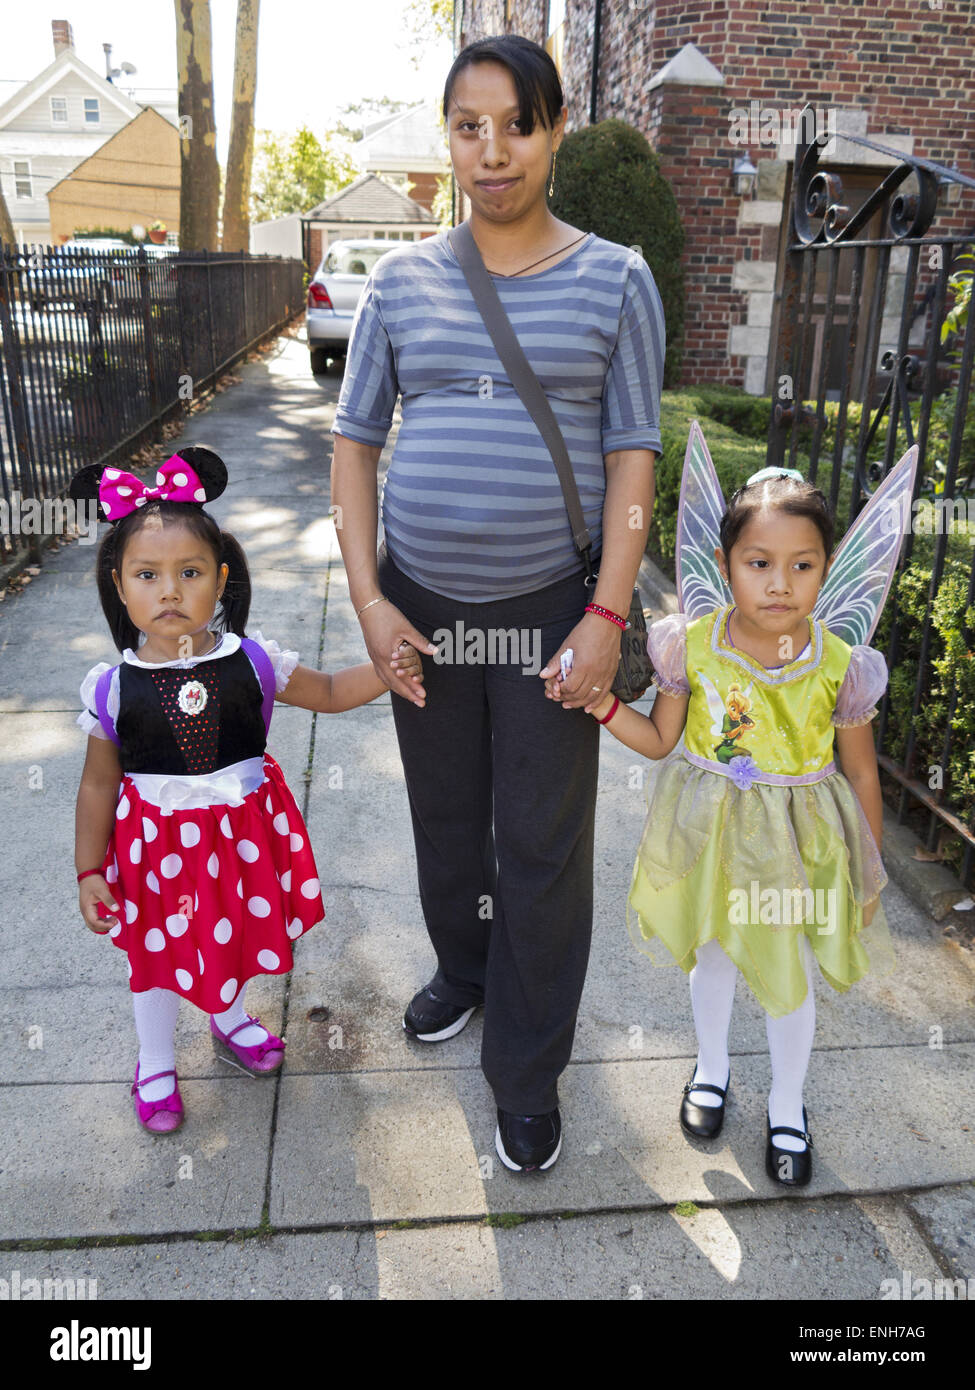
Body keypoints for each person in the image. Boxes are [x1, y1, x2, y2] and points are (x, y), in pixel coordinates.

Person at [330, 34, 664, 1172]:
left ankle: (526, 1070)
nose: (492, 149)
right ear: (449, 139)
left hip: (548, 612)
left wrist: (606, 618)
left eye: (515, 123)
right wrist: (370, 600)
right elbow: (355, 444)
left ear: (555, 127)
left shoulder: (618, 278)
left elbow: (632, 457)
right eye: (468, 126)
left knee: (540, 842)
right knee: (446, 820)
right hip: (421, 606)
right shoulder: (400, 282)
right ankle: (464, 972)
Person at [577, 441, 915, 1186]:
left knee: (786, 966)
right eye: (758, 562)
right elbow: (663, 739)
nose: (779, 583)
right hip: (707, 837)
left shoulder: (839, 663)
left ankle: (787, 1106)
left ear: (828, 569)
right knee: (713, 955)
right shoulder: (688, 646)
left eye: (802, 564)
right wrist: (600, 704)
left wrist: (863, 871)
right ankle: (710, 1068)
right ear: (725, 565)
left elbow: (859, 772)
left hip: (798, 848)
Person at [71, 447, 424, 1133]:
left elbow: (326, 691)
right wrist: (89, 868)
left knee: (227, 937)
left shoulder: (254, 661)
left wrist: (388, 668)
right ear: (120, 586)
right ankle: (154, 1062)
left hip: (238, 844)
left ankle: (229, 1018)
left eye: (189, 572)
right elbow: (94, 786)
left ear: (220, 579)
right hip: (155, 856)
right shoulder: (112, 688)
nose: (168, 591)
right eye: (147, 574)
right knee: (157, 959)